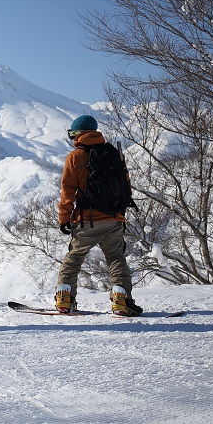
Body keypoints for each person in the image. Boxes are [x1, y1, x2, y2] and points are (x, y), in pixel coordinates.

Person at [55, 114, 143, 316]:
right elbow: (126, 186)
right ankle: (121, 301)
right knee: (116, 258)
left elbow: (67, 190)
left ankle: (64, 300)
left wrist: (64, 218)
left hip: (87, 219)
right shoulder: (113, 153)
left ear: (78, 134)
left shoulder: (75, 156)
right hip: (114, 218)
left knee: (74, 257)